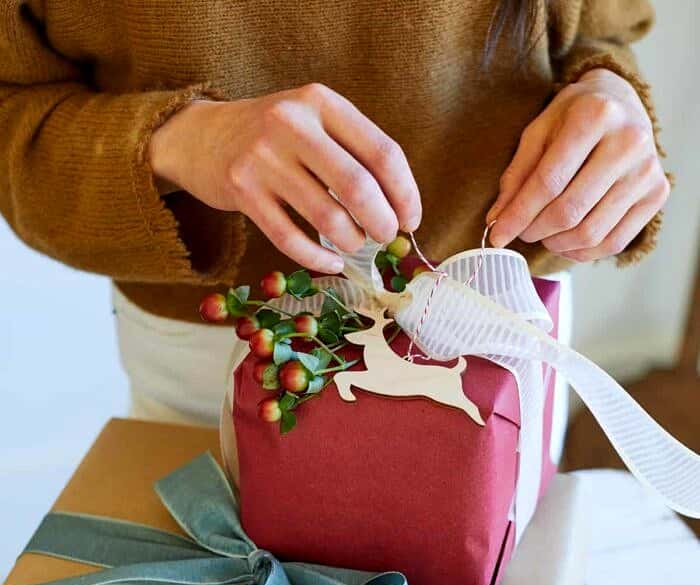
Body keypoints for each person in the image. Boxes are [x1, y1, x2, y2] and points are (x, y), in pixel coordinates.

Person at [0, 0, 669, 425]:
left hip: (501, 347)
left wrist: (609, 94)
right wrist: (179, 142)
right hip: (221, 374)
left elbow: (597, 34)